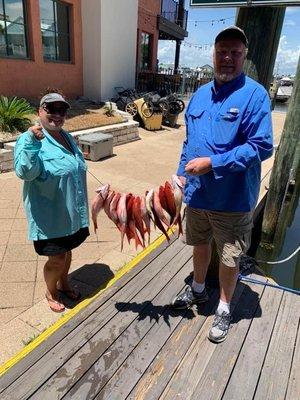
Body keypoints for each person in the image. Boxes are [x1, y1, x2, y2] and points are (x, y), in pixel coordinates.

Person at [171, 26, 273, 343]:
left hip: (233, 201)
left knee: (229, 258)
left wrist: (213, 163)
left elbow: (262, 146)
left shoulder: (255, 95)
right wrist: (180, 175)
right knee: (199, 245)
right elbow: (190, 143)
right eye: (222, 52)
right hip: (198, 196)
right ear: (213, 55)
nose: (227, 58)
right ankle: (199, 289)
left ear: (244, 56)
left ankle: (225, 308)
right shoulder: (199, 95)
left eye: (235, 52)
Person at [14, 90, 90, 312]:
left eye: (62, 110)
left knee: (67, 251)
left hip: (71, 213)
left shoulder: (65, 136)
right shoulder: (29, 139)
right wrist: (30, 142)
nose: (57, 115)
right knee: (56, 258)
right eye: (51, 109)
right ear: (40, 111)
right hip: (50, 216)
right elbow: (25, 172)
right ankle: (51, 291)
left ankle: (64, 283)